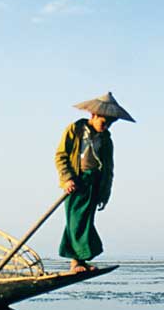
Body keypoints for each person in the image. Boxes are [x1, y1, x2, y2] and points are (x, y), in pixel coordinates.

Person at [54, 92, 136, 274]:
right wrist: (67, 178)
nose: (106, 126)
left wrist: (105, 194)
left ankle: (81, 261)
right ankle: (75, 262)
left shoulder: (107, 140)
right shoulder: (75, 130)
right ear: (93, 115)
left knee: (86, 222)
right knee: (75, 221)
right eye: (104, 122)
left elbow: (108, 169)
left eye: (110, 124)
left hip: (94, 182)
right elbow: (61, 156)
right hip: (76, 182)